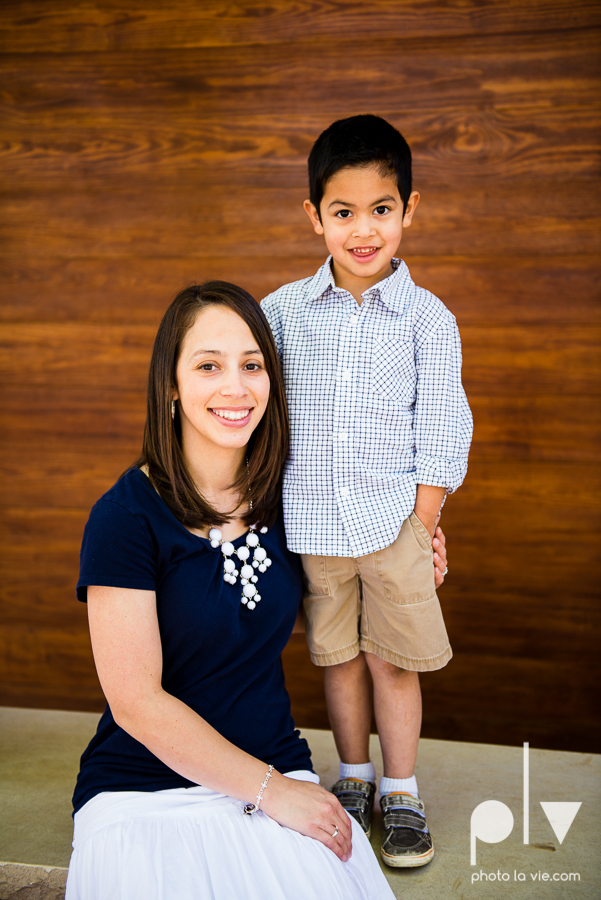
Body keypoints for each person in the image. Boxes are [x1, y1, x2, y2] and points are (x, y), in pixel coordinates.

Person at [66, 281, 408, 900]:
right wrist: (271, 793)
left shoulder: (292, 498)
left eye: (252, 365)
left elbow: (364, 570)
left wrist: (419, 546)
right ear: (170, 386)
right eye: (208, 366)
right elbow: (137, 702)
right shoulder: (125, 517)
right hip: (143, 790)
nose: (236, 387)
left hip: (279, 768)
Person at [261, 114, 473, 868]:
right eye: (342, 212)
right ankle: (352, 778)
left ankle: (401, 789)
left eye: (380, 210)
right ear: (314, 216)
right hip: (313, 528)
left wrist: (422, 525)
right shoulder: (280, 312)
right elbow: (260, 419)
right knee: (337, 659)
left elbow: (443, 428)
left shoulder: (427, 318)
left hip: (393, 527)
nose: (362, 230)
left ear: (408, 210)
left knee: (393, 661)